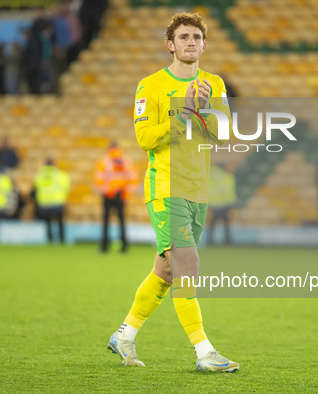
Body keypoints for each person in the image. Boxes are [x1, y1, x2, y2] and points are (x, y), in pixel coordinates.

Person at [107, 13, 239, 373]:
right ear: (171, 44)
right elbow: (146, 138)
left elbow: (223, 134)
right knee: (187, 267)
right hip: (166, 190)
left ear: (204, 45)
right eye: (183, 37)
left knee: (166, 272)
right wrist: (183, 108)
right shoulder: (150, 85)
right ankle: (204, 352)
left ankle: (125, 335)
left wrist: (205, 105)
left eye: (197, 37)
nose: (191, 42)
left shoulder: (214, 83)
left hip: (199, 192)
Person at [94, 143, 138, 253]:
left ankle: (104, 246)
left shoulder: (104, 161)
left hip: (108, 195)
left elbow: (98, 179)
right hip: (121, 195)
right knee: (122, 221)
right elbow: (133, 179)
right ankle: (124, 246)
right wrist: (125, 193)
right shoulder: (127, 161)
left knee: (105, 221)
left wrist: (108, 191)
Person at [33, 159, 70, 244]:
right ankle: (62, 240)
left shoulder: (39, 175)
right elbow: (67, 187)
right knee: (60, 222)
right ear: (54, 164)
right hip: (58, 203)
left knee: (48, 223)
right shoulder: (60, 174)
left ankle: (50, 240)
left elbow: (36, 189)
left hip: (44, 204)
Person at [207, 163, 236, 244]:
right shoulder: (228, 177)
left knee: (212, 225)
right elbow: (230, 190)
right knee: (226, 225)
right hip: (225, 204)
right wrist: (231, 204)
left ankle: (210, 241)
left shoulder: (211, 176)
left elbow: (209, 190)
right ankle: (228, 241)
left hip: (213, 204)